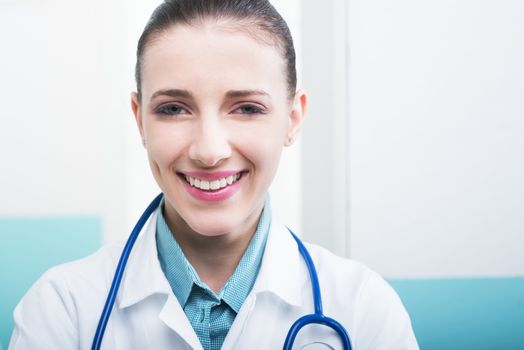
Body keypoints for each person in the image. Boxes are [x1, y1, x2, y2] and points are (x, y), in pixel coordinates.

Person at [9, 0, 419, 349]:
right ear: (139, 120)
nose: (209, 150)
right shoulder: (63, 310)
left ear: (293, 118)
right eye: (173, 108)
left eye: (246, 108)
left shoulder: (363, 309)